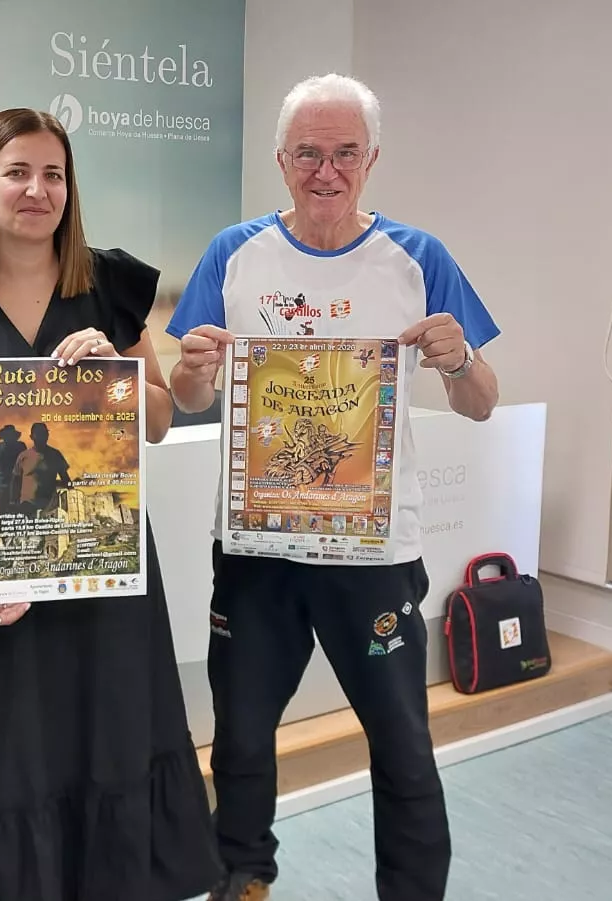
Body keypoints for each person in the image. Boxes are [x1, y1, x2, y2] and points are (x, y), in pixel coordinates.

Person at [0, 107, 223, 901]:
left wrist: (120, 378)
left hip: (101, 576)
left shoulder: (112, 288)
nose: (37, 190)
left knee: (102, 744)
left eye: (53, 174)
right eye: (17, 173)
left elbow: (162, 419)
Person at [167, 75, 501, 901]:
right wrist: (191, 371)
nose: (326, 170)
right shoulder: (232, 252)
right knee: (242, 736)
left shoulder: (419, 257)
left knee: (401, 740)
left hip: (375, 551)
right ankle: (243, 879)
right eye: (308, 152)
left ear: (371, 158)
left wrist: (458, 358)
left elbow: (481, 400)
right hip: (256, 546)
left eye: (345, 152)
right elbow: (188, 399)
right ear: (280, 159)